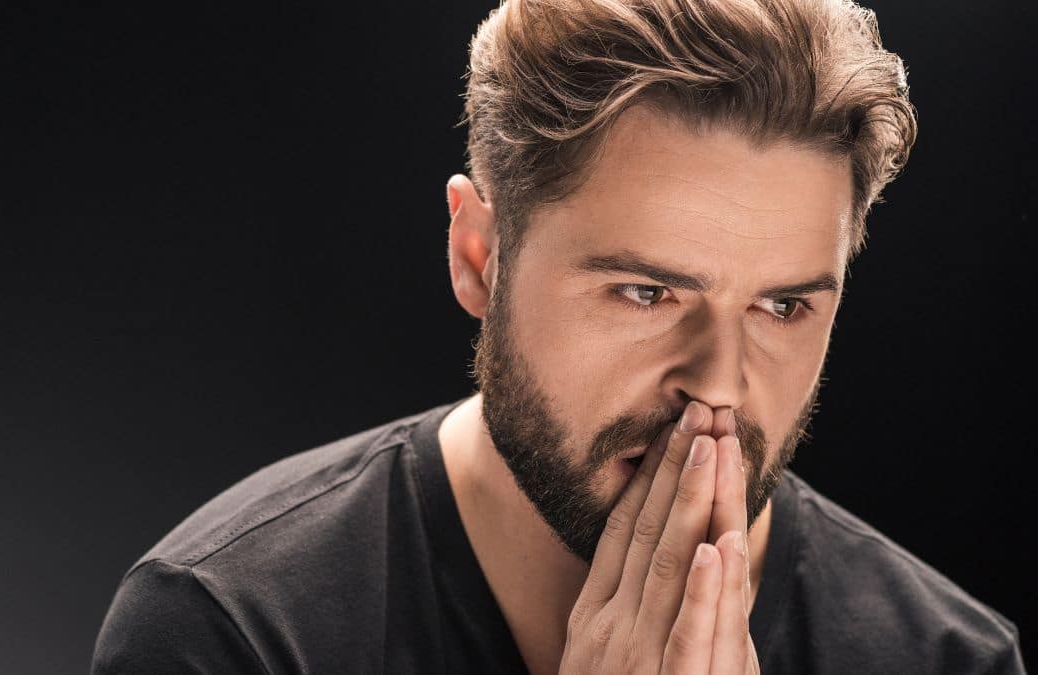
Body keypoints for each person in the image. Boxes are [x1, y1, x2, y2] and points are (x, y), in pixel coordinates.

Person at [91, 0, 1025, 672]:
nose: (721, 388)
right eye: (647, 290)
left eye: (783, 307)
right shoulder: (232, 630)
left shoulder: (948, 657)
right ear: (480, 255)